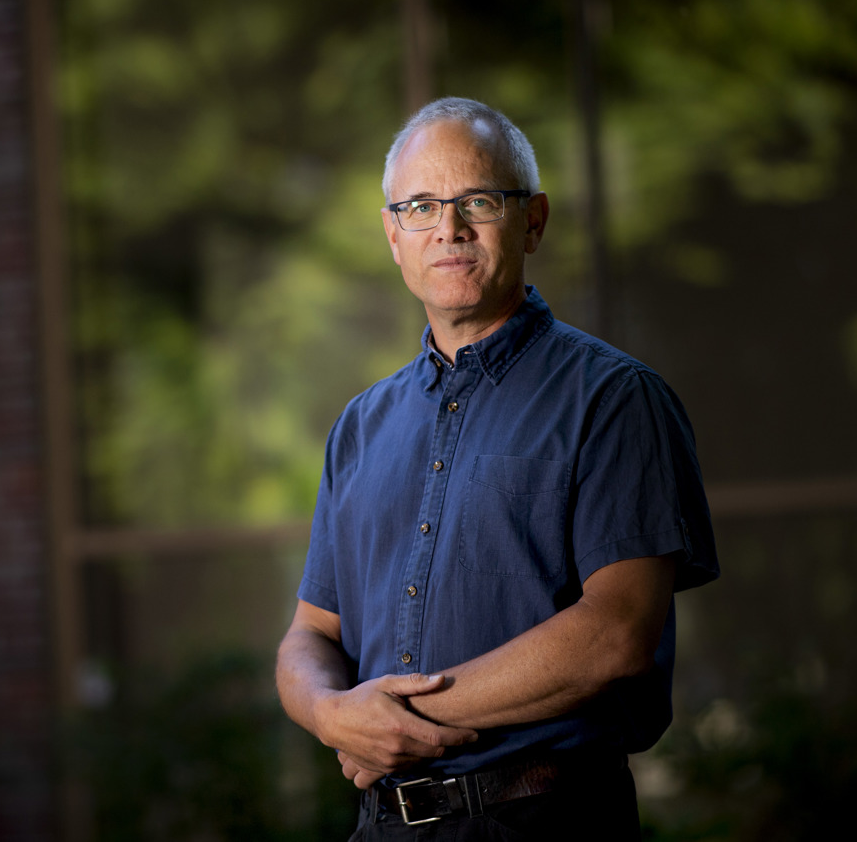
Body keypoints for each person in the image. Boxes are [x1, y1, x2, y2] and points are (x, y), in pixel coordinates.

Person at [275, 97, 719, 840]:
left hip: (548, 822)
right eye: (419, 206)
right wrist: (330, 712)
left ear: (533, 219)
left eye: (476, 200)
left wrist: (397, 718)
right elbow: (308, 636)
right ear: (393, 235)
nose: (447, 228)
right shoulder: (359, 427)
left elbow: (616, 633)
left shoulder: (613, 399)